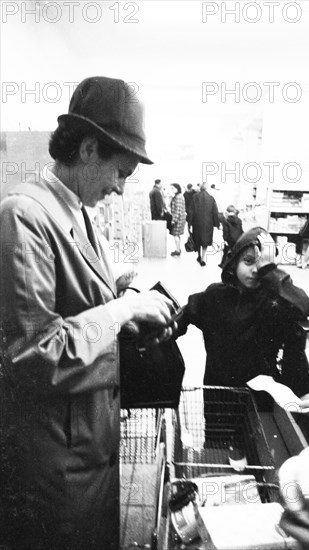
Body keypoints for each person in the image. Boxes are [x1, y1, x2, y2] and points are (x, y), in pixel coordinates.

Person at [0, 76, 175, 550]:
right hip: (55, 463)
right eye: (119, 172)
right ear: (88, 149)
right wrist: (122, 311)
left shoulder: (76, 211)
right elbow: (34, 351)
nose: (120, 189)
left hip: (90, 445)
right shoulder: (24, 216)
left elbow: (75, 297)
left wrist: (121, 291)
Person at [177, 227, 309, 396]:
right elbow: (184, 315)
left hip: (261, 399)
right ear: (234, 262)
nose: (256, 270)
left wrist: (270, 272)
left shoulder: (271, 302)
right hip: (219, 395)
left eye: (263, 264)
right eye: (248, 261)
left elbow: (303, 306)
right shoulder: (215, 295)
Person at [187, 182, 219, 266]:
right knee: (205, 241)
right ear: (207, 188)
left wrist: (189, 223)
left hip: (196, 222)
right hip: (208, 223)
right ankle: (203, 258)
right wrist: (217, 224)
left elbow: (190, 211)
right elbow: (215, 212)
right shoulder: (211, 198)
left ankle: (198, 255)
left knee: (197, 240)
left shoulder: (195, 197)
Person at [169, 183, 186, 256]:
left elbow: (177, 210)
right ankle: (178, 248)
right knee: (177, 235)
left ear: (177, 188)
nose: (172, 190)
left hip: (178, 219)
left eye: (173, 188)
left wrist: (174, 220)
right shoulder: (178, 196)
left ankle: (177, 250)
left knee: (175, 235)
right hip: (180, 218)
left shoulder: (178, 197)